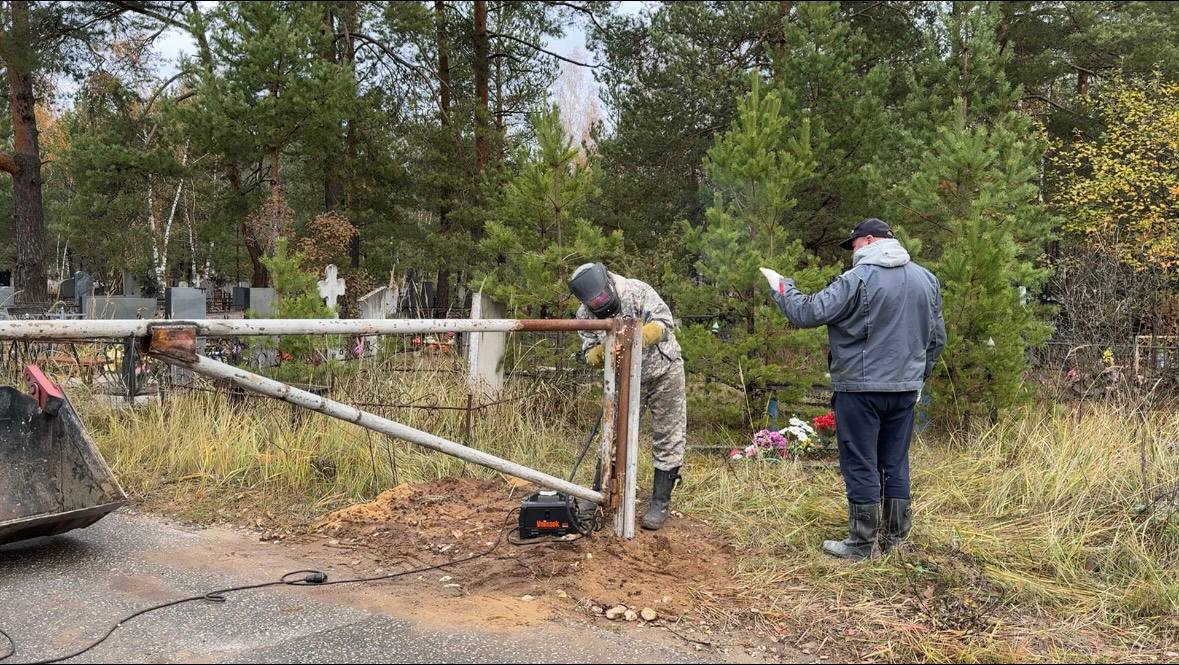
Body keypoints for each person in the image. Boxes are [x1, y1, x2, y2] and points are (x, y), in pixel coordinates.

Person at [759, 218, 946, 560]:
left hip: (860, 390)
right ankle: (895, 542)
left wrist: (782, 287)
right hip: (904, 390)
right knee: (894, 462)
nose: (852, 254)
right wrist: (916, 376)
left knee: (860, 462)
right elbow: (936, 339)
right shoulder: (926, 279)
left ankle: (861, 545)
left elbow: (809, 311)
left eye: (854, 246)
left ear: (870, 240)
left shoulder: (857, 279)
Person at [569, 262, 687, 531]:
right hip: (623, 378)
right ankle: (600, 492)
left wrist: (642, 335)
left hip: (663, 370)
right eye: (594, 302)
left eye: (602, 297)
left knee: (669, 433)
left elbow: (665, 323)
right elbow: (588, 347)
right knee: (613, 435)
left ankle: (660, 501)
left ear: (608, 284)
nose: (600, 303)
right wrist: (597, 355)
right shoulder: (585, 313)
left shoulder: (636, 291)